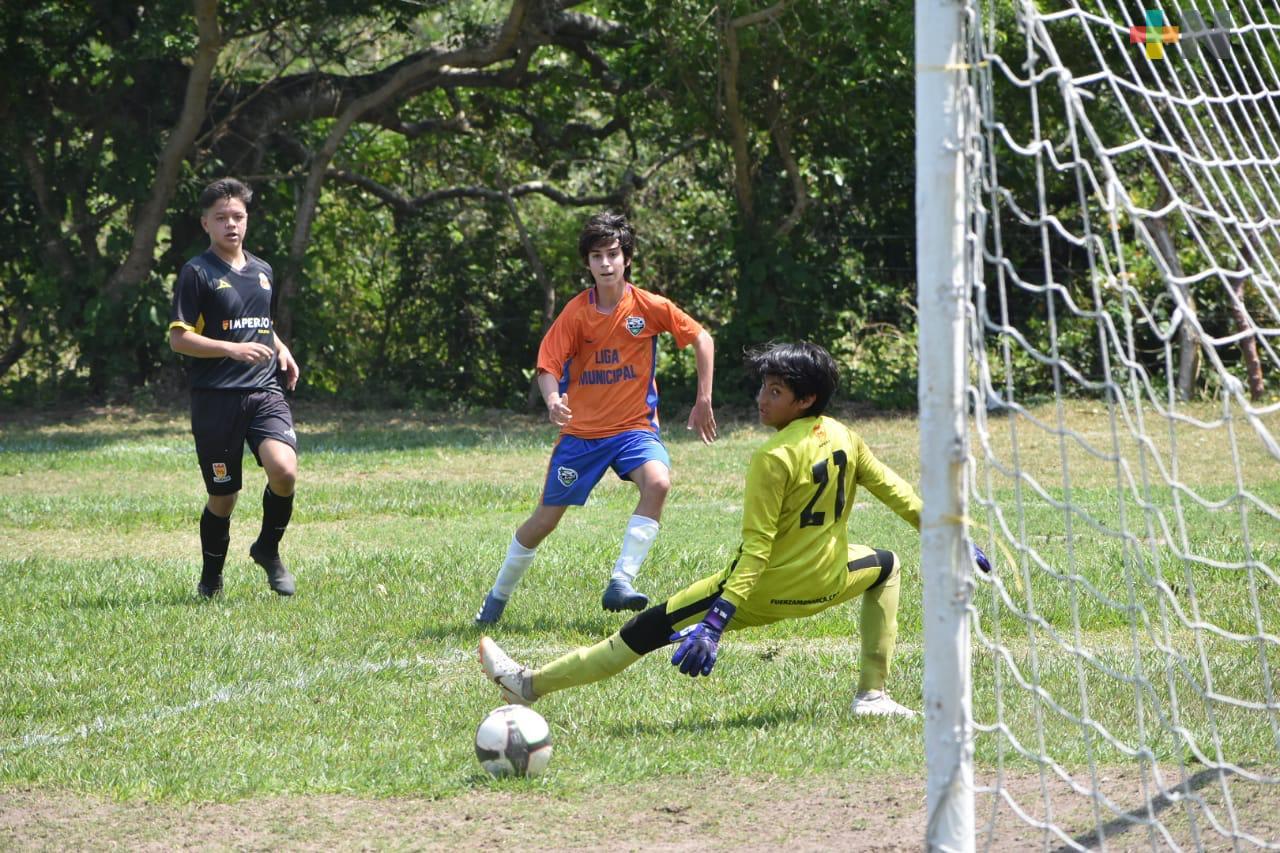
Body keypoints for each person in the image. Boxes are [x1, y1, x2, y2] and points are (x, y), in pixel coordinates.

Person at [479, 341, 992, 717]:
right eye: (763, 387)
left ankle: (528, 685)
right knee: (888, 565)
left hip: (759, 592)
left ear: (805, 399)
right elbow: (896, 491)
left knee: (642, 631)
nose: (761, 399)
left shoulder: (772, 457)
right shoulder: (844, 436)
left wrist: (718, 621)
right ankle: (872, 694)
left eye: (775, 391)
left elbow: (757, 548)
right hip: (829, 582)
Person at [474, 211, 718, 624]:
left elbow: (701, 337)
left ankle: (621, 582)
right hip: (582, 436)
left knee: (658, 481)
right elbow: (548, 366)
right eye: (596, 256)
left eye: (613, 254)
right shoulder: (576, 313)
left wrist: (704, 399)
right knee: (544, 522)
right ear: (586, 263)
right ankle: (496, 599)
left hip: (633, 429)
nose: (606, 263)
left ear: (627, 259)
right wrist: (553, 401)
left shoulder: (649, 307)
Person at [168, 177, 301, 598]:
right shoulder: (196, 273)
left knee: (284, 470)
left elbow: (259, 325)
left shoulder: (262, 271)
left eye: (238, 217)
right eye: (222, 218)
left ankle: (268, 548)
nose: (231, 225)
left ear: (247, 220)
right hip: (216, 400)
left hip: (264, 391)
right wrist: (231, 349)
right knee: (223, 497)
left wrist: (281, 349)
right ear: (205, 223)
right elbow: (179, 338)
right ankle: (211, 579)